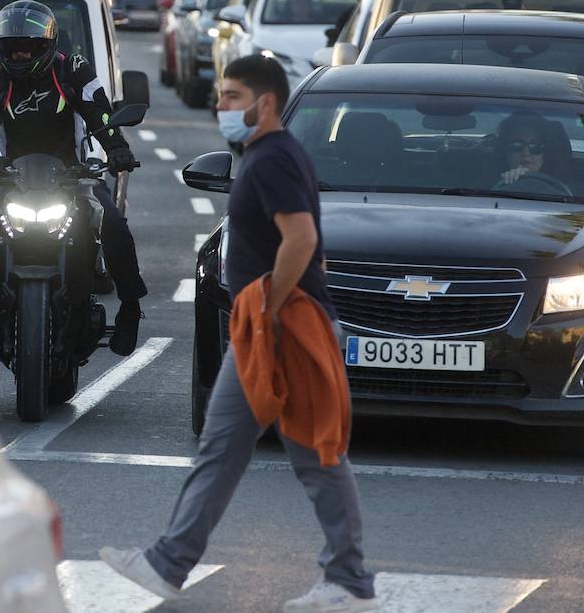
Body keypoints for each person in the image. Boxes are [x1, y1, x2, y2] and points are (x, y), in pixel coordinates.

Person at [100, 54, 377, 613]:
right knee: (240, 448)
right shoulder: (270, 154)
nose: (221, 106)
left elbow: (300, 240)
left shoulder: (272, 158)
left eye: (231, 96)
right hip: (274, 322)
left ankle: (347, 580)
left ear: (264, 103)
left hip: (278, 324)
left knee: (307, 452)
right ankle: (171, 562)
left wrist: (270, 311)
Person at [0, 0, 146, 360]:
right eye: (12, 47)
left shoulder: (74, 70)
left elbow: (100, 112)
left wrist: (117, 149)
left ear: (48, 44)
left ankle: (130, 309)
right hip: (11, 179)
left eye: (29, 47)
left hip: (73, 175)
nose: (20, 54)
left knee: (113, 222)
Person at [494, 112, 569, 189]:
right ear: (505, 150)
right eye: (517, 145)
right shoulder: (485, 185)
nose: (526, 153)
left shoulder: (567, 189)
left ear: (545, 152)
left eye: (535, 146)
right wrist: (506, 184)